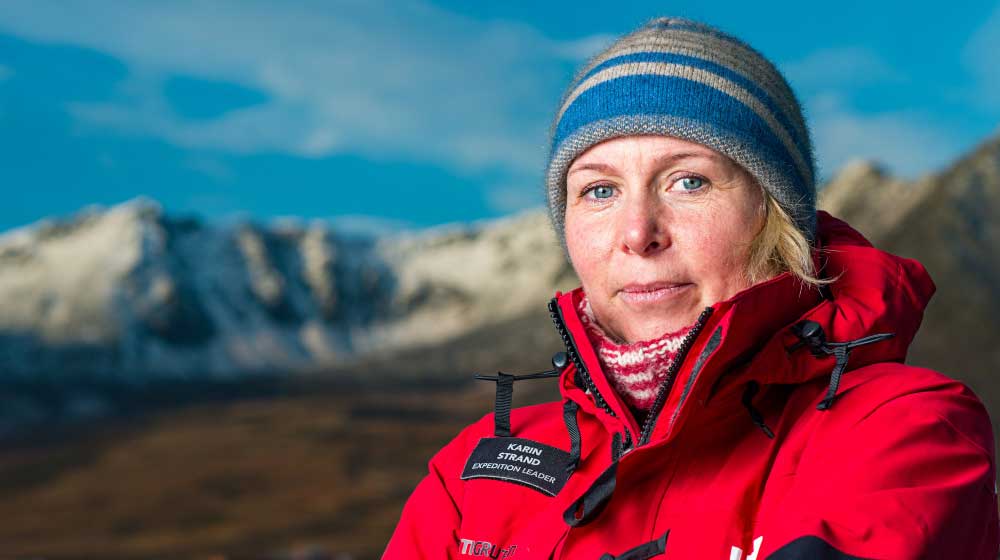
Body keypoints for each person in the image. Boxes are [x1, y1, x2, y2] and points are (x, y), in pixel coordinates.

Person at [382, 16, 999, 559]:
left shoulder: (902, 428)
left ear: (775, 214)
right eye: (599, 190)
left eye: (689, 182)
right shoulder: (471, 475)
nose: (637, 233)